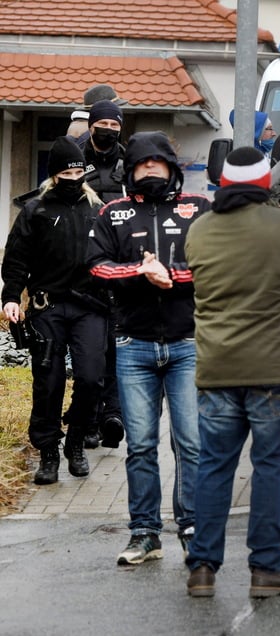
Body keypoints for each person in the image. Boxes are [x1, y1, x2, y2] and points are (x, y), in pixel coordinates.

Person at [184, 147, 280, 598]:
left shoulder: (200, 229)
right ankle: (267, 566)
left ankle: (202, 567)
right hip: (275, 370)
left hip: (216, 367)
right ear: (266, 183)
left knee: (213, 467)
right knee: (269, 467)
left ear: (223, 182)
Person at [87, 131, 211, 566]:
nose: (151, 168)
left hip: (187, 343)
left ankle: (193, 528)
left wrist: (170, 276)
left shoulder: (199, 208)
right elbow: (96, 267)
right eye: (143, 163)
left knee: (190, 443)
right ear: (131, 170)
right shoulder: (112, 213)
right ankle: (144, 533)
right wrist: (142, 273)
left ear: (173, 168)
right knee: (139, 445)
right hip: (133, 345)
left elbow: (216, 264)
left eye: (159, 161)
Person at [1, 137, 108, 485]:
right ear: (53, 175)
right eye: (65, 171)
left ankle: (76, 439)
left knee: (91, 378)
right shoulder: (36, 210)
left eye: (78, 170)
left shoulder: (98, 208)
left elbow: (114, 254)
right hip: (48, 306)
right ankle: (48, 452)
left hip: (91, 307)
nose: (73, 176)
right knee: (48, 382)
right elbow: (16, 258)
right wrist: (12, 296)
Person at [68, 98, 128, 449]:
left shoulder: (128, 159)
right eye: (103, 124)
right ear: (91, 125)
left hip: (118, 266)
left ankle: (113, 415)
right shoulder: (74, 159)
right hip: (80, 269)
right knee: (89, 353)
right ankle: (87, 421)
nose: (108, 131)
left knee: (116, 347)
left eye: (115, 126)